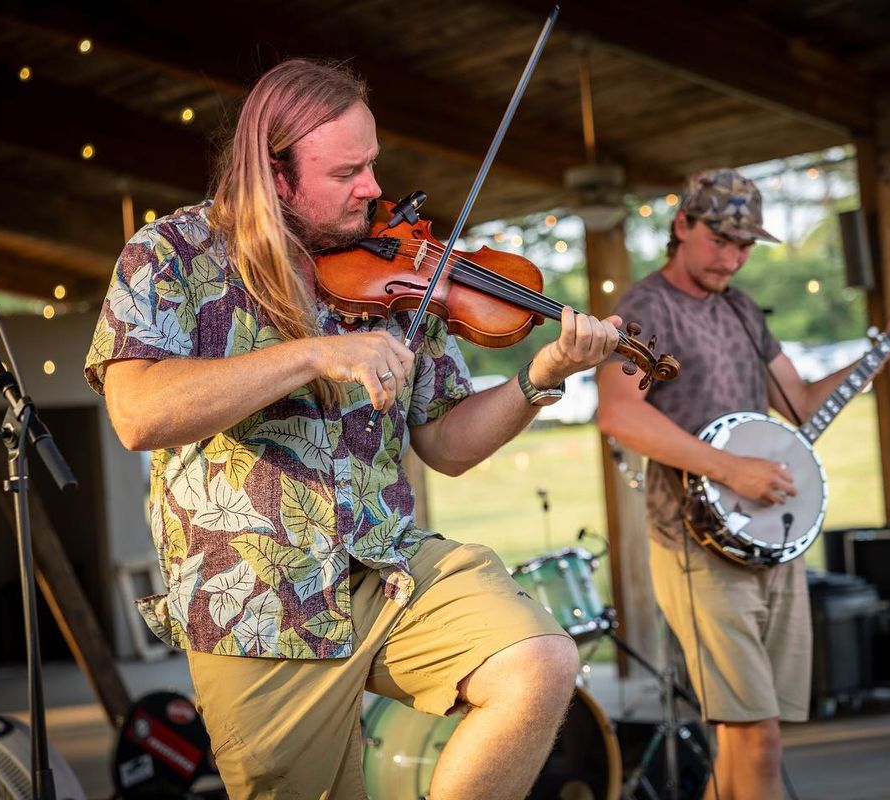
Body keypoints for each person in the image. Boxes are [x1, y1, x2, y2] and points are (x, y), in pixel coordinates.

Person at [84, 58, 622, 800]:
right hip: (258, 602)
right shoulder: (170, 255)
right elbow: (138, 412)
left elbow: (446, 443)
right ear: (275, 177)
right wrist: (313, 353)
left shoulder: (401, 267)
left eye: (371, 164)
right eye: (347, 173)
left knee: (540, 662)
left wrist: (540, 377)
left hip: (389, 563)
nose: (372, 188)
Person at [596, 168, 890, 800]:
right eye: (720, 239)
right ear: (681, 226)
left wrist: (886, 345)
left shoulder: (743, 310)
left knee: (750, 739)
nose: (733, 257)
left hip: (770, 540)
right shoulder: (646, 307)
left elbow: (804, 403)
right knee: (757, 737)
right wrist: (728, 468)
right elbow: (619, 413)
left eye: (745, 244)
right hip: (696, 546)